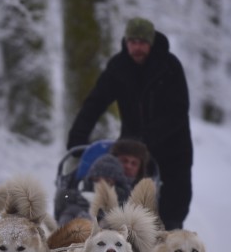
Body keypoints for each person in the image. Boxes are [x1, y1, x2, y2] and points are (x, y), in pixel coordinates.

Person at [67, 17, 193, 230]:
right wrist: (78, 136)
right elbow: (95, 102)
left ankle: (171, 237)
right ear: (126, 42)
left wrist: (147, 138)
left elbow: (178, 111)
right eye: (132, 42)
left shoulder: (169, 67)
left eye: (142, 42)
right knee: (129, 198)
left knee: (172, 205)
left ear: (151, 43)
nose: (137, 47)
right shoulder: (119, 66)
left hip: (173, 147)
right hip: (133, 147)